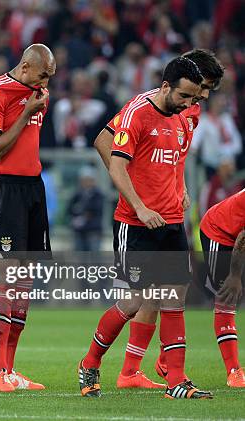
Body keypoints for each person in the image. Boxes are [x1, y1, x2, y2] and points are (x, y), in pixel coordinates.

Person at [77, 56, 214, 399]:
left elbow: (176, 159)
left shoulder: (182, 118)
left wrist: (180, 188)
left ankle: (176, 381)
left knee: (173, 299)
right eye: (184, 96)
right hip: (135, 224)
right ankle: (90, 363)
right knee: (134, 301)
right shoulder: (137, 112)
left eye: (193, 98)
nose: (188, 104)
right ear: (165, 86)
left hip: (171, 223)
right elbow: (117, 164)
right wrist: (140, 204)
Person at [0, 44, 55, 392]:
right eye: (43, 74)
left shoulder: (40, 95)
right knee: (6, 277)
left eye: (50, 75)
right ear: (25, 66)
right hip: (3, 189)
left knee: (25, 283)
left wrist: (33, 105)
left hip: (32, 190)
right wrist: (26, 112)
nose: (47, 81)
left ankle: (10, 370)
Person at [199, 189, 245, 387]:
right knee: (227, 297)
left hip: (236, 234)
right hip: (220, 232)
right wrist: (235, 276)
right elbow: (242, 238)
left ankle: (166, 359)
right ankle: (233, 372)